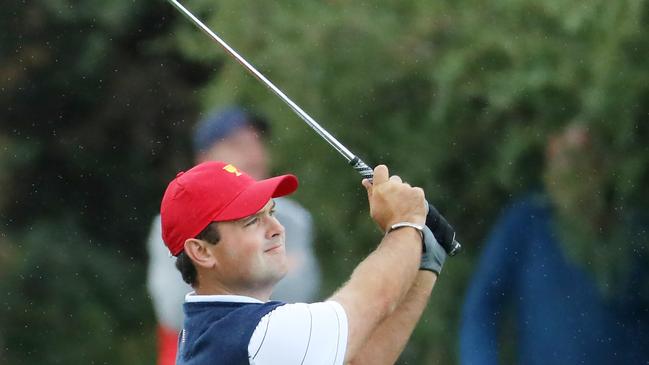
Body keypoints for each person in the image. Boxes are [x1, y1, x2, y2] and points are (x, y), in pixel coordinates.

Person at [159, 161, 447, 364]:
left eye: (271, 212)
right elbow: (375, 300)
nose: (276, 228)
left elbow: (358, 359)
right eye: (251, 221)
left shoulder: (215, 332)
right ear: (202, 251)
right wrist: (405, 223)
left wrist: (423, 261)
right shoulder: (250, 336)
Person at [459, 123, 649, 364]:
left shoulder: (635, 231)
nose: (571, 170)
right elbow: (482, 307)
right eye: (564, 157)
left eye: (582, 158)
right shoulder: (527, 223)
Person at [146, 106, 321, 365]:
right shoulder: (173, 223)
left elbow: (303, 294)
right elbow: (175, 311)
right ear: (204, 158)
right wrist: (262, 277)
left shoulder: (295, 219)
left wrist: (230, 278)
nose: (253, 154)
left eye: (257, 142)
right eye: (237, 144)